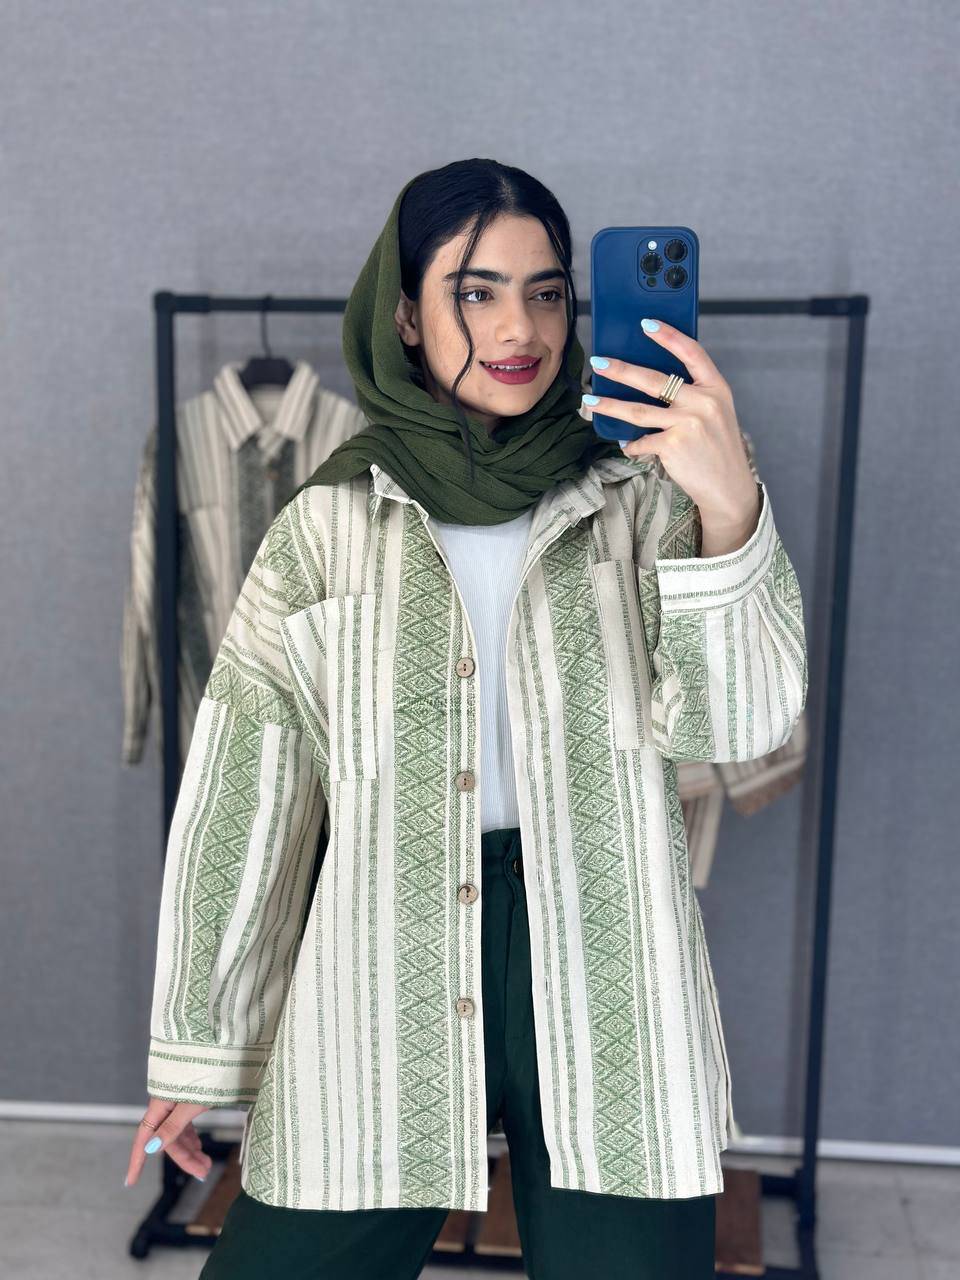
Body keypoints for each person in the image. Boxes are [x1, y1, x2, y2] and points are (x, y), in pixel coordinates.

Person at [124, 158, 808, 1279]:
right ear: (405, 313)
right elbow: (249, 790)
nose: (518, 327)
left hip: (611, 960)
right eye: (476, 291)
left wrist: (729, 502)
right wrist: (195, 1046)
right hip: (379, 949)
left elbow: (739, 725)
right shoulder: (327, 526)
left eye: (547, 292)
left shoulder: (647, 495)